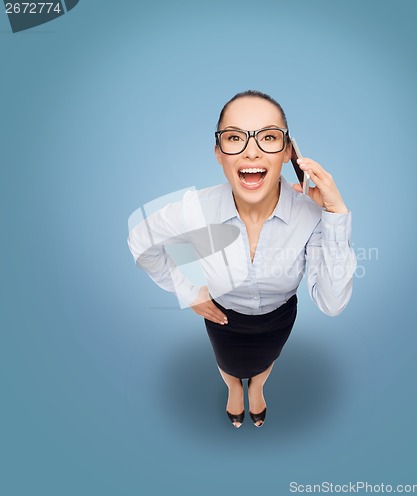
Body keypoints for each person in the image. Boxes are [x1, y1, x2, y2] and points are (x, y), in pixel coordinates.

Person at [128, 90, 357, 428]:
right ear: (219, 153)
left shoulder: (313, 215)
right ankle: (234, 388)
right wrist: (187, 287)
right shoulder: (193, 209)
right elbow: (142, 243)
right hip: (223, 316)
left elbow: (332, 302)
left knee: (267, 359)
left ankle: (258, 388)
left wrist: (336, 214)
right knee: (227, 361)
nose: (252, 150)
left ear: (288, 152)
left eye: (268, 137)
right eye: (235, 137)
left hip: (278, 318)